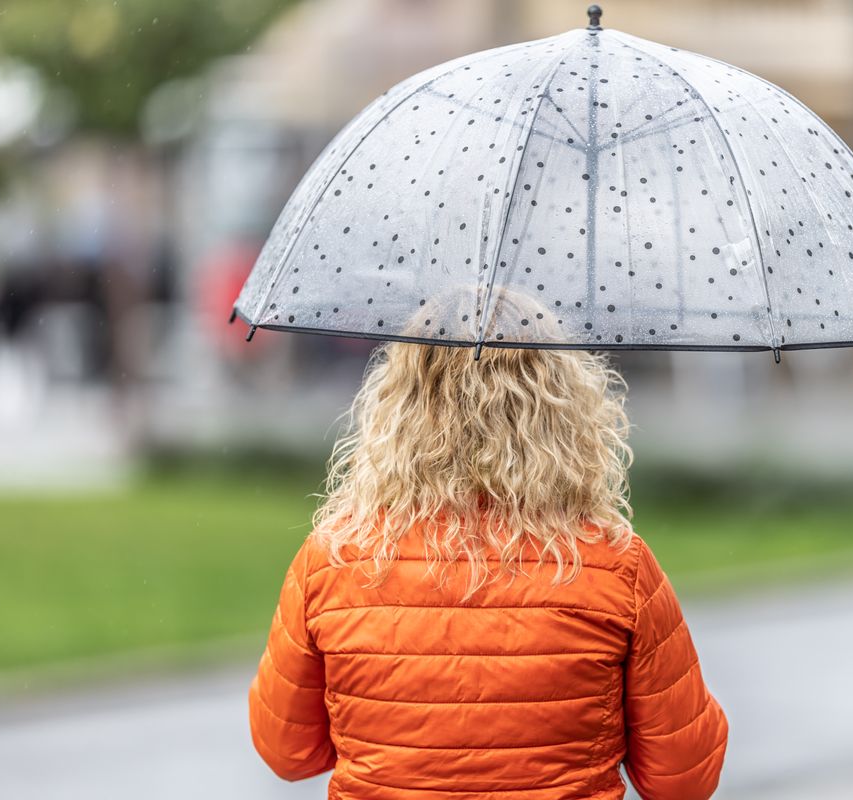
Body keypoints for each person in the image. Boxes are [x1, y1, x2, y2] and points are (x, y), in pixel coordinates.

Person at [248, 289, 728, 799]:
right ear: (560, 405)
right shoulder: (616, 566)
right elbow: (684, 777)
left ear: (401, 400)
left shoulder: (334, 560)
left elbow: (287, 751)